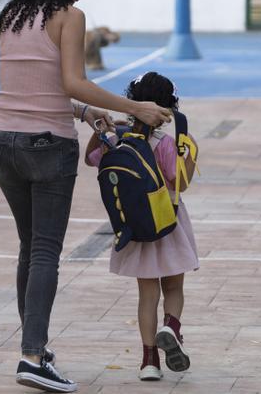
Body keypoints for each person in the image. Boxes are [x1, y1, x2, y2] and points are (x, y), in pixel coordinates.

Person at [0, 0, 172, 393]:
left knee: (29, 248)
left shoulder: (12, 17)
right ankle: (32, 357)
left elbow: (34, 89)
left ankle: (32, 345)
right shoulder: (70, 17)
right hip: (48, 148)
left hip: (2, 143)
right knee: (46, 251)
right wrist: (138, 107)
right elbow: (74, 80)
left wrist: (84, 113)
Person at [84, 72, 199, 382]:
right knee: (173, 286)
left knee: (147, 295)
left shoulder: (116, 139)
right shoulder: (165, 143)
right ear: (167, 110)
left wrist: (101, 129)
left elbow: (90, 159)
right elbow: (181, 183)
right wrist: (191, 153)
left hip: (135, 226)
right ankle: (170, 327)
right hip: (168, 224)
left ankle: (149, 361)